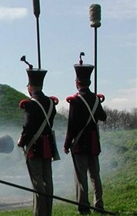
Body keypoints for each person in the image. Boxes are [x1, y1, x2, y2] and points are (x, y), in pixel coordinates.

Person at [63, 57, 107, 215]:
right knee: (95, 175)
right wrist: (97, 103)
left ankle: (84, 207)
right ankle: (99, 204)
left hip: (80, 143)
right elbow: (103, 117)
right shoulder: (95, 99)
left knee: (81, 177)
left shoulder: (75, 101)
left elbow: (72, 126)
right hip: (94, 142)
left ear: (77, 82)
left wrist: (67, 144)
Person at [17, 59, 59, 216]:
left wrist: (21, 141)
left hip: (34, 147)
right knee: (48, 180)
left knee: (37, 182)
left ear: (30, 86)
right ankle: (47, 211)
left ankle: (39, 213)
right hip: (47, 146)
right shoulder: (50, 103)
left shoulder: (30, 105)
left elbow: (28, 128)